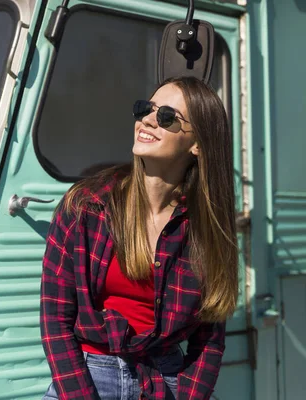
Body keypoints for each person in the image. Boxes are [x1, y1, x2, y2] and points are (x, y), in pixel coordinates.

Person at [40, 76, 238, 400]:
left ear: (198, 144)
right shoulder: (86, 206)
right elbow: (55, 320)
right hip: (88, 375)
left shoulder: (209, 227)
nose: (147, 120)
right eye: (146, 109)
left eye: (166, 117)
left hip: (167, 379)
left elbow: (209, 339)